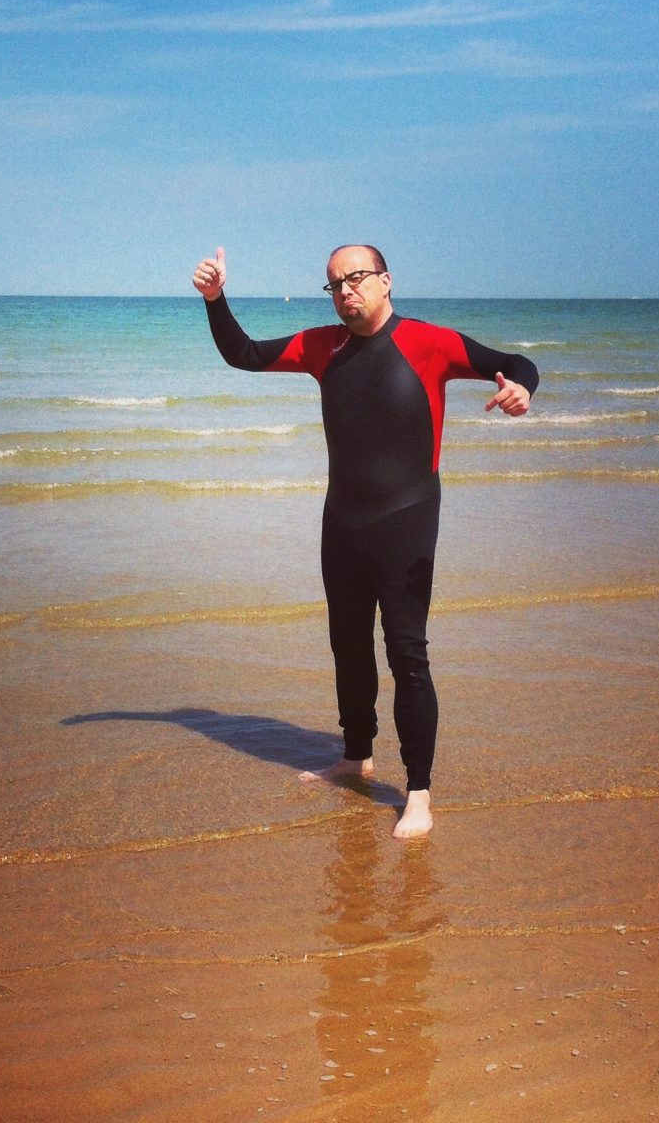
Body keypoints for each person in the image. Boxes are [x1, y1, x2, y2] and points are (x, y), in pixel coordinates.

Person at [192, 244, 538, 838]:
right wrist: (215, 299)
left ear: (385, 281)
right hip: (342, 522)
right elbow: (244, 354)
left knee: (407, 653)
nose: (345, 290)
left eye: (355, 278)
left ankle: (419, 793)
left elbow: (515, 361)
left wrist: (521, 389)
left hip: (407, 518)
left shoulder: (431, 342)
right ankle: (356, 754)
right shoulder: (322, 347)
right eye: (334, 284)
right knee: (347, 644)